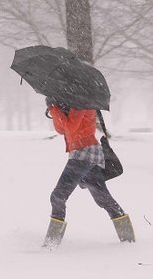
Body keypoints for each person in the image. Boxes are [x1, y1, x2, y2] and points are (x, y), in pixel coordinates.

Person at [43, 97, 135, 249]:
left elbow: (71, 128)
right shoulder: (73, 102)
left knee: (58, 195)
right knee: (102, 198)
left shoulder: (82, 102)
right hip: (84, 152)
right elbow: (61, 129)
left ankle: (51, 244)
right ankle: (128, 239)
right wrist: (54, 107)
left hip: (84, 153)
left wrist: (54, 109)